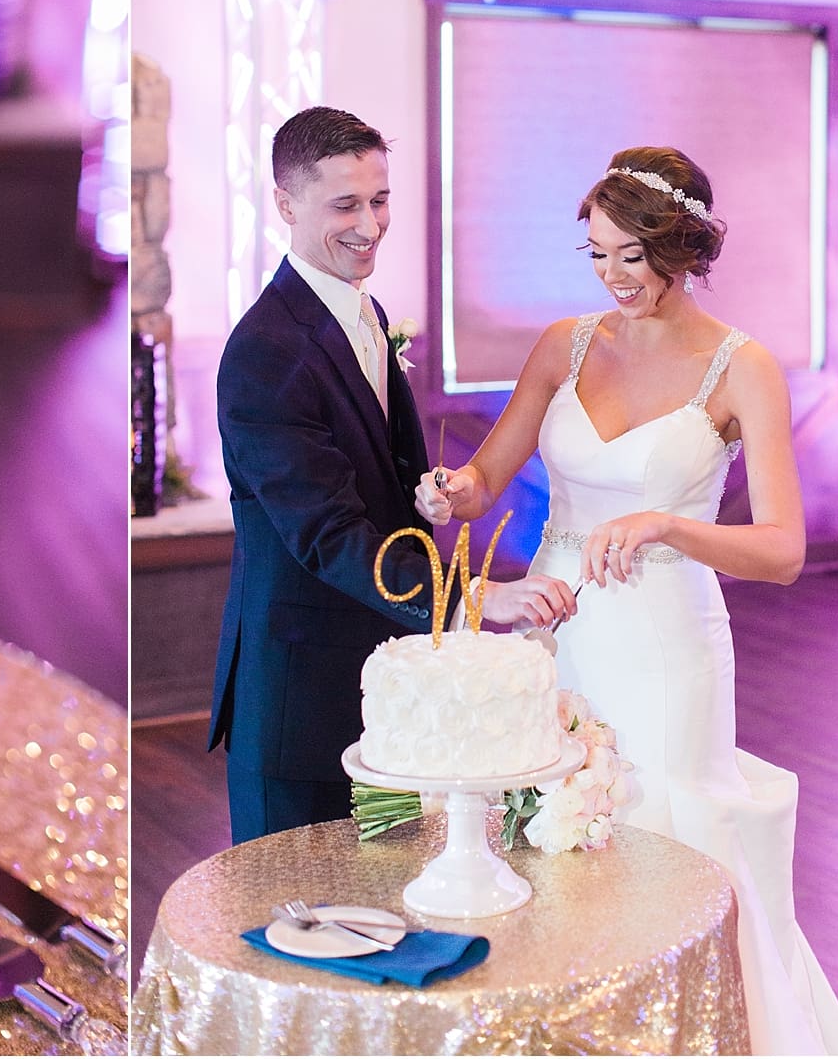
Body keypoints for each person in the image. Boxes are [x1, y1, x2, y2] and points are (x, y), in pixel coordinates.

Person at [433, 146, 838, 1055]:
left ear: (681, 246)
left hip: (664, 641)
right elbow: (484, 477)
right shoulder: (565, 344)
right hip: (550, 625)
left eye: (632, 254)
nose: (612, 276)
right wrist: (449, 492)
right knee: (539, 834)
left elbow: (784, 551)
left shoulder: (742, 369)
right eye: (595, 253)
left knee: (664, 843)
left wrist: (669, 527)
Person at [209, 107, 576, 844]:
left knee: (382, 907)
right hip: (301, 700)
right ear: (283, 205)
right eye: (344, 204)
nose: (370, 226)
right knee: (301, 926)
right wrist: (475, 598)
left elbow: (369, 485)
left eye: (379, 200)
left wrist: (422, 494)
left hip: (386, 686)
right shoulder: (265, 352)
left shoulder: (364, 312)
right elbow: (328, 535)